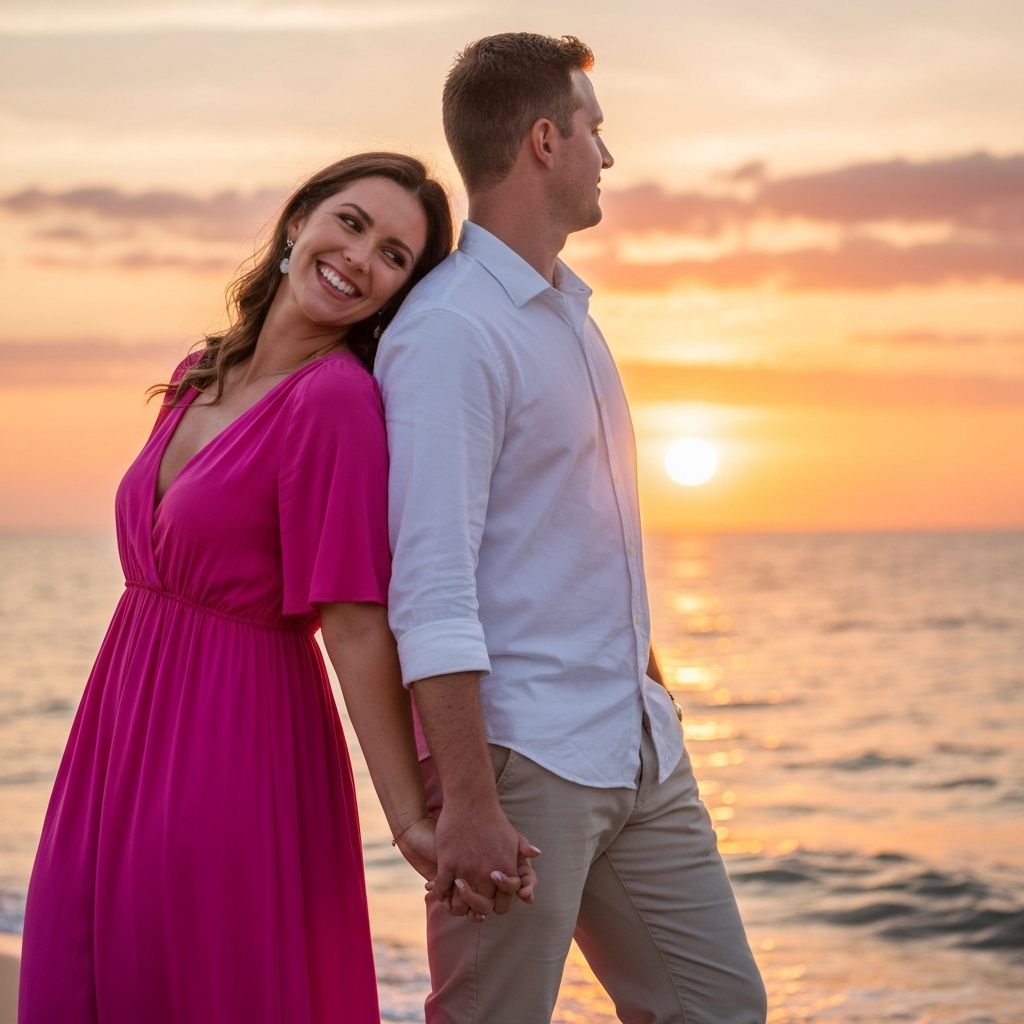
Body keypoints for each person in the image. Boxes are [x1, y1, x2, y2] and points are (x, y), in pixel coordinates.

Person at [17, 152, 531, 1024]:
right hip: (118, 729)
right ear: (299, 223)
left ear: (396, 295)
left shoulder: (333, 405)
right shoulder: (199, 370)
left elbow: (356, 624)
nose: (361, 257)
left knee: (193, 979)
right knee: (86, 962)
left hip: (232, 740)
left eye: (396, 257)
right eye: (352, 223)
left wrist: (409, 817)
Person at [376, 34, 769, 1024]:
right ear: (545, 140)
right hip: (522, 764)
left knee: (719, 1008)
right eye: (597, 128)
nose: (610, 154)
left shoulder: (569, 319)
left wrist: (651, 686)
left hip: (637, 747)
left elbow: (585, 536)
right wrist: (466, 800)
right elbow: (430, 584)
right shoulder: (450, 332)